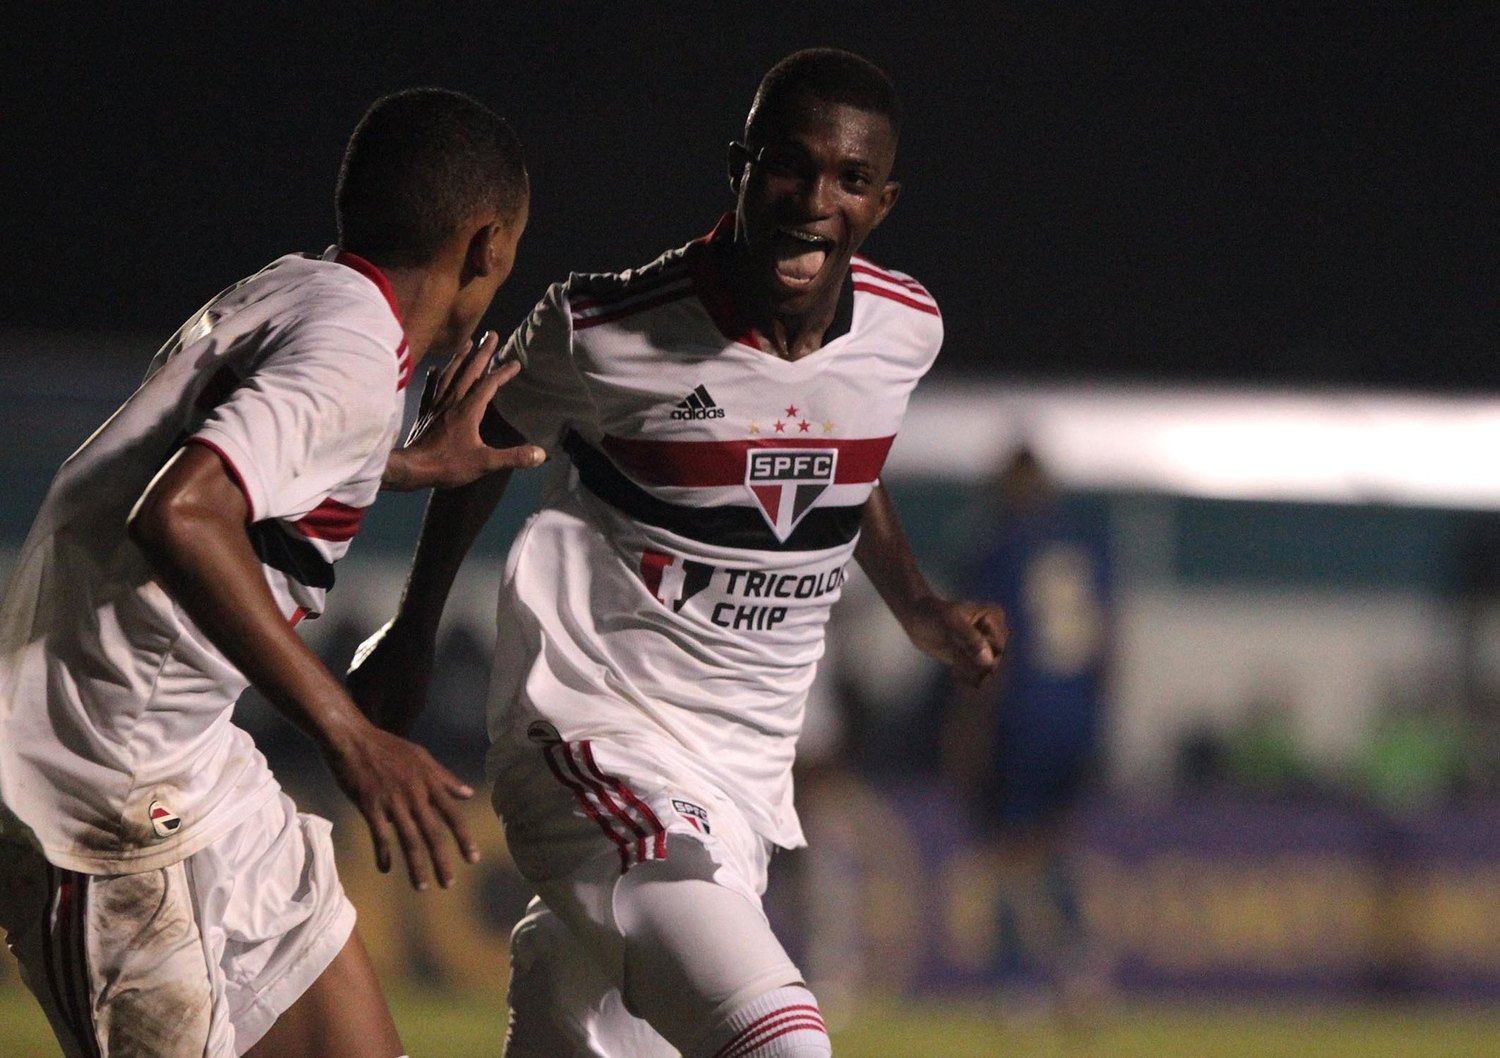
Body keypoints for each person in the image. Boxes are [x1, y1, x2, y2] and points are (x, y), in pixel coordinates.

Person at [350, 49, 1007, 1058]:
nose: (814, 199)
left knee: (609, 1027)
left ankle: (562, 982)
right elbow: (478, 452)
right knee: (782, 1041)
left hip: (742, 772)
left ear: (883, 200)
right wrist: (413, 624)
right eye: (790, 166)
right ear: (741, 168)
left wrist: (917, 602)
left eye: (850, 179)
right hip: (595, 736)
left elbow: (840, 453)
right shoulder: (604, 330)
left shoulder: (904, 328)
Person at [0, 87, 542, 1058]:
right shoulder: (348, 351)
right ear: (488, 245)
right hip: (104, 793)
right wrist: (348, 731)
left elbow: (224, 460)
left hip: (196, 767)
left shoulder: (305, 290)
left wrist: (409, 462)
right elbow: (180, 509)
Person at [941, 445, 1113, 1016]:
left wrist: (973, 724)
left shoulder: (1000, 547)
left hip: (1025, 711)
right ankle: (1080, 964)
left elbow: (992, 645)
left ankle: (1017, 982)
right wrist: (1099, 715)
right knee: (1053, 839)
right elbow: (1111, 639)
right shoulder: (1087, 544)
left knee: (1008, 845)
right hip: (1077, 709)